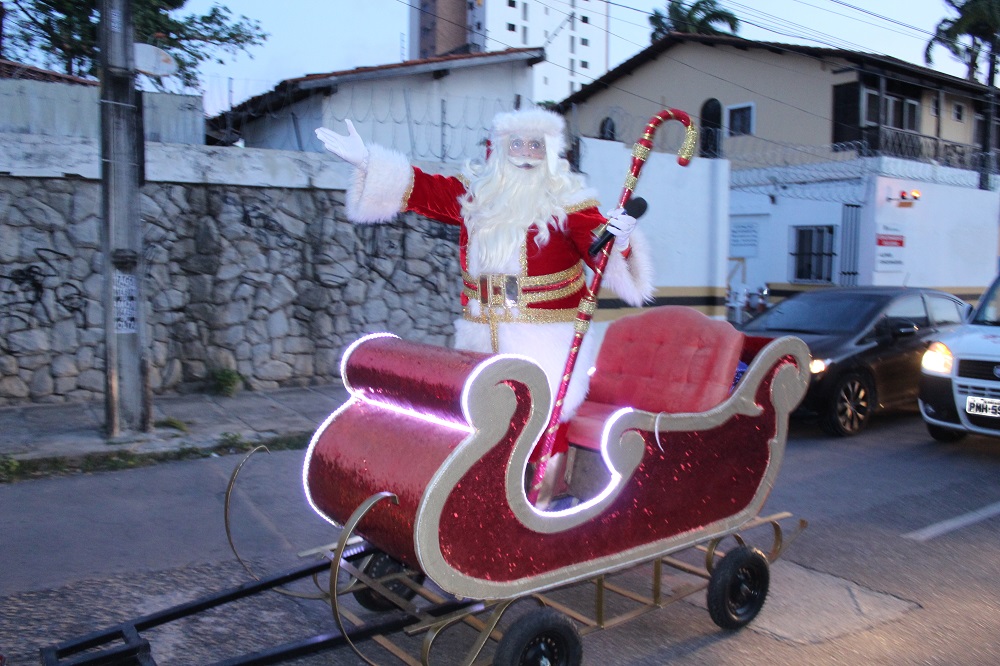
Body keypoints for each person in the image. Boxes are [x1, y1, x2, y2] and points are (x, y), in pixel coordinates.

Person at [316, 107, 654, 499]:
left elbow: (603, 256)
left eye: (535, 145)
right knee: (484, 423)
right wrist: (369, 162)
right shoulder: (477, 196)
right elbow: (420, 190)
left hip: (545, 340)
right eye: (518, 144)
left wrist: (621, 240)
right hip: (481, 334)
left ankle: (544, 502)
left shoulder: (570, 203)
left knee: (544, 423)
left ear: (550, 153)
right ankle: (488, 501)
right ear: (499, 149)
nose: (526, 153)